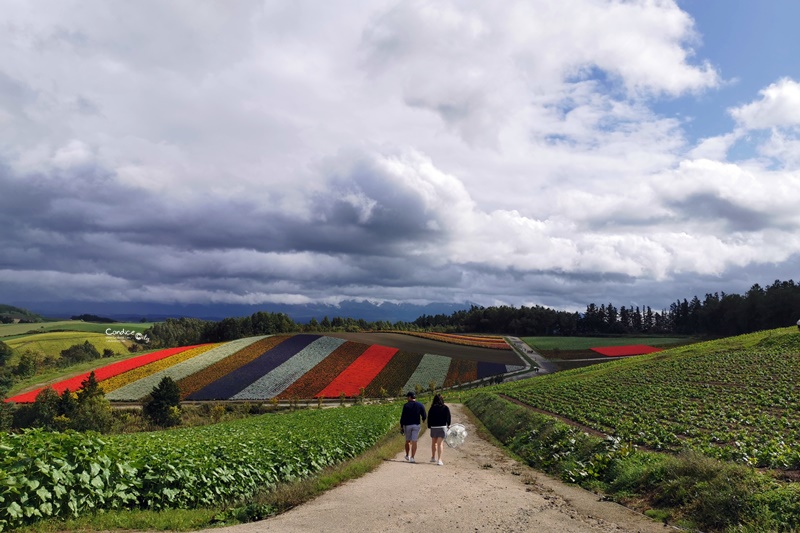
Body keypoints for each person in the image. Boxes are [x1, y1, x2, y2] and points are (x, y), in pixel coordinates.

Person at [399, 391, 426, 463]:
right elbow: (424, 414)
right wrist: (423, 419)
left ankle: (407, 455)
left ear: (410, 397)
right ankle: (412, 457)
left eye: (407, 397)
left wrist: (401, 426)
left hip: (407, 425)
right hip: (416, 425)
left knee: (407, 440)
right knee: (414, 441)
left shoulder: (406, 405)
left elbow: (403, 417)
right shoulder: (420, 405)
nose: (407, 399)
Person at [427, 394, 451, 466]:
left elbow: (429, 418)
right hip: (442, 427)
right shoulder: (445, 408)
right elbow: (448, 417)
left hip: (434, 427)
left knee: (434, 442)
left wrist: (429, 426)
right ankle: (439, 459)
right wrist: (448, 425)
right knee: (440, 443)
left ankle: (433, 457)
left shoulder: (432, 408)